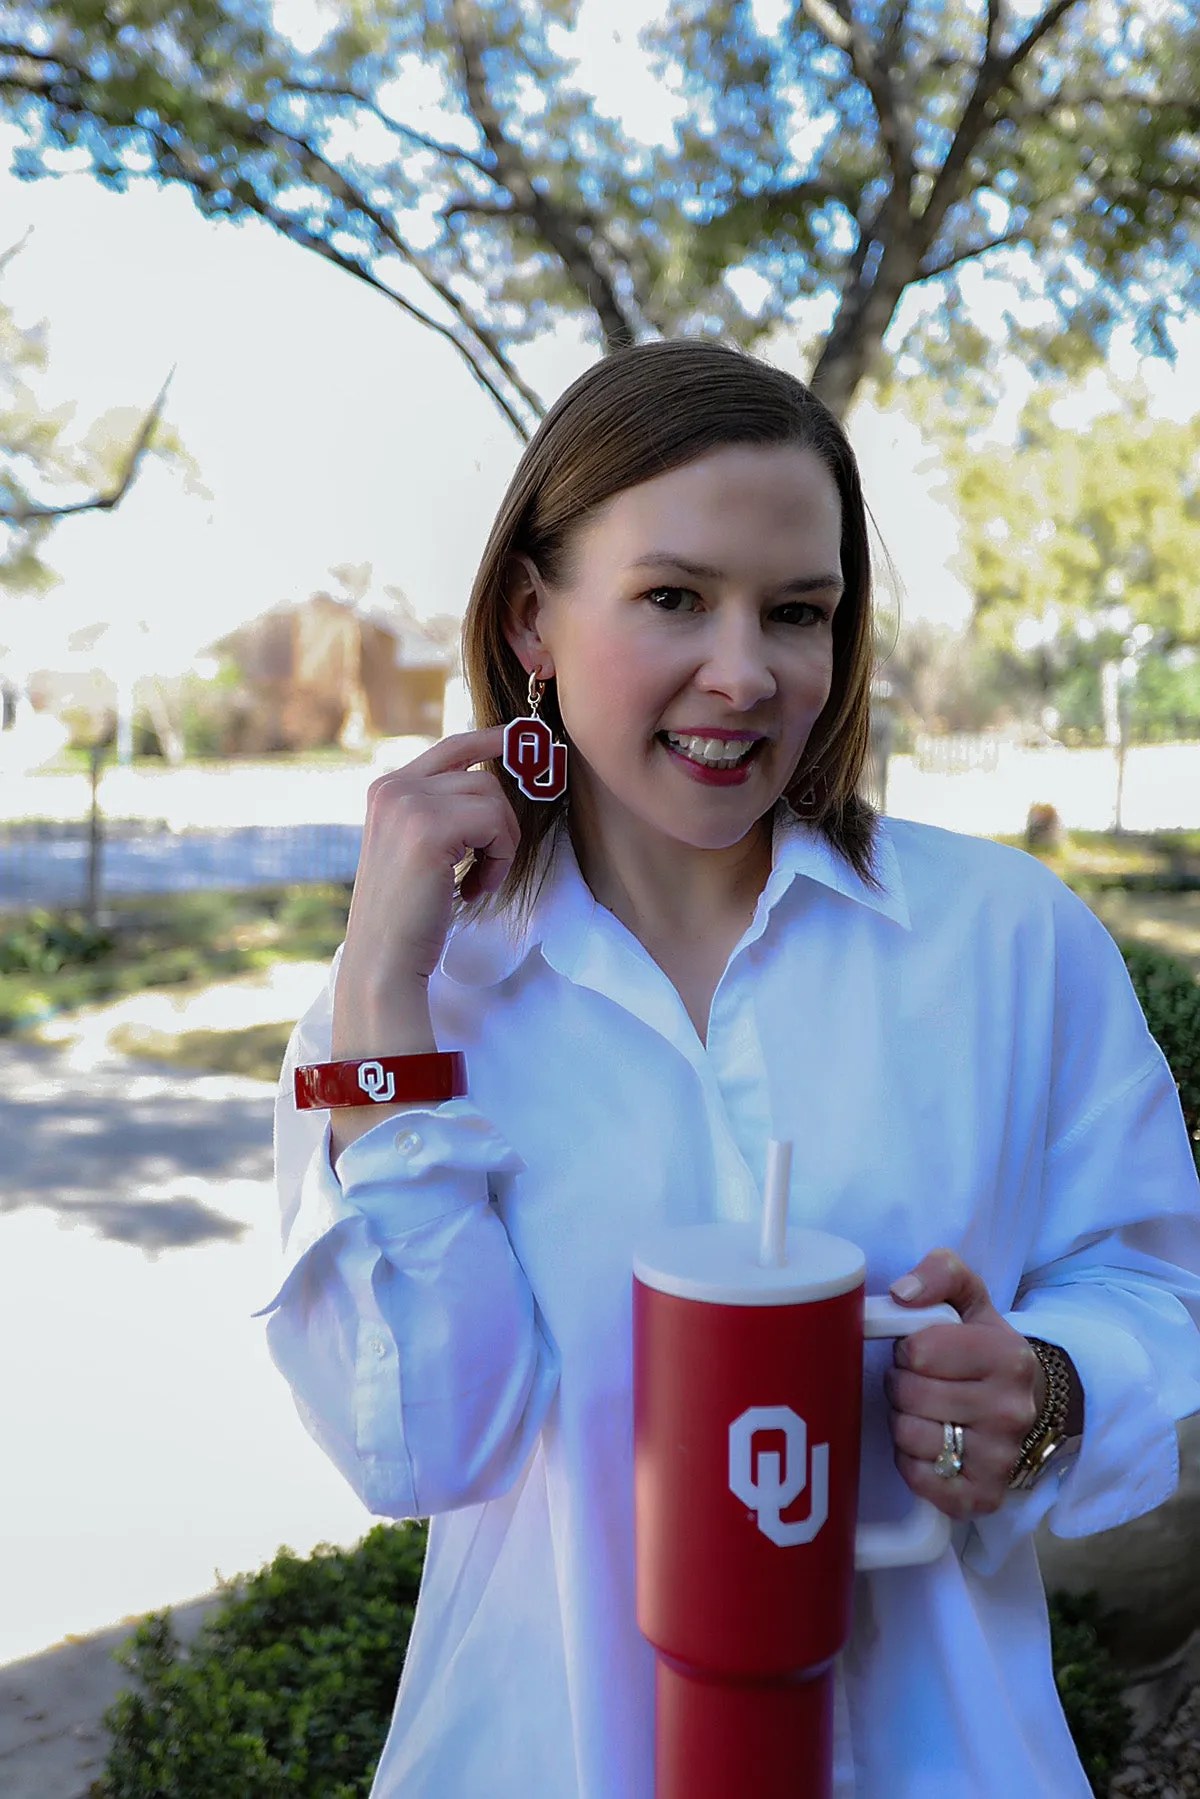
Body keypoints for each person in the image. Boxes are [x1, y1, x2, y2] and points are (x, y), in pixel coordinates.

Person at [258, 341, 1200, 1798]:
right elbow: (425, 1443)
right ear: (533, 617)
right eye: (674, 597)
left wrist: (1052, 1387)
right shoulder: (409, 1004)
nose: (747, 672)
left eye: (799, 611)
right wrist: (383, 994)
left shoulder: (1009, 940)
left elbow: (1154, 1281)